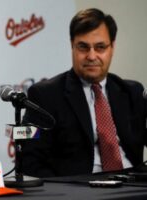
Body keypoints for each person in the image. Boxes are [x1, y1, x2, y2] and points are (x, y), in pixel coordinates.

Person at [21, 8, 147, 178]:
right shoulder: (45, 95)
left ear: (112, 47)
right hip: (81, 189)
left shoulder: (133, 92)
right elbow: (31, 163)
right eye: (83, 47)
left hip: (132, 185)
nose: (92, 56)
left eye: (100, 47)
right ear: (72, 45)